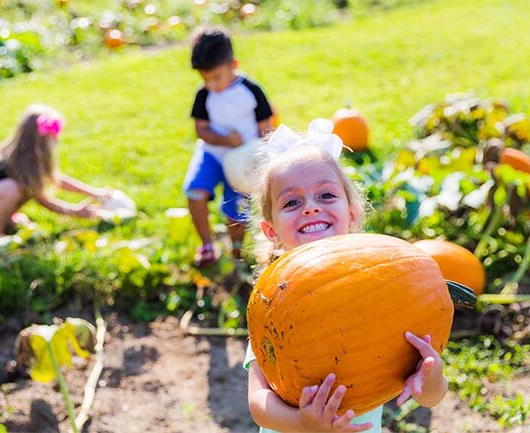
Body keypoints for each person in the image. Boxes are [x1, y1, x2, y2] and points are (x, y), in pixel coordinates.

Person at [244, 120, 448, 433]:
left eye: (326, 196)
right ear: (271, 231)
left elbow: (432, 398)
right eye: (292, 202)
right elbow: (258, 403)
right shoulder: (275, 302)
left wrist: (431, 380)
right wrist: (301, 422)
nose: (311, 208)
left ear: (351, 214)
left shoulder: (383, 291)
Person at [184, 25, 274, 266]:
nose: (211, 85)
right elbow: (201, 130)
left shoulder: (251, 91)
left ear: (233, 65)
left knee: (236, 209)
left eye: (216, 78)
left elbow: (267, 127)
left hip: (243, 161)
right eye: (204, 79)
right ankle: (207, 244)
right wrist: (225, 139)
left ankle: (236, 252)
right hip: (212, 154)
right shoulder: (204, 95)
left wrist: (259, 153)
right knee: (194, 192)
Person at [0, 104, 112, 237]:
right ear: (39, 140)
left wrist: (94, 192)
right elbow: (43, 199)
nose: (56, 139)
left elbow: (56, 179)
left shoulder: (32, 158)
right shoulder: (16, 161)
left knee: (19, 188)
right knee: (13, 188)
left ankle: (8, 218)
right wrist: (75, 211)